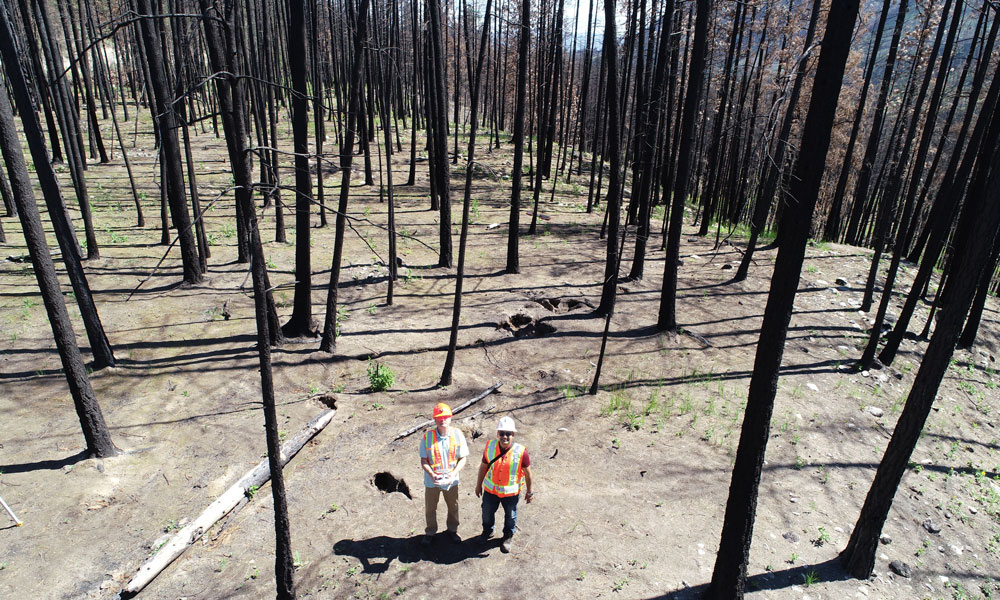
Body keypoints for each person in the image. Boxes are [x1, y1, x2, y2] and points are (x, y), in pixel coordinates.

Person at [475, 416, 533, 553]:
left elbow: (528, 473)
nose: (505, 436)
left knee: (510, 516)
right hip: (491, 491)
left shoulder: (521, 452)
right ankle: (488, 531)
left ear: (513, 435)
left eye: (508, 433)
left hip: (510, 493)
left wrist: (530, 491)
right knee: (487, 513)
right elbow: (483, 467)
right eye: (502, 433)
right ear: (498, 434)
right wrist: (478, 485)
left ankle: (508, 536)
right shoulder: (490, 447)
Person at [419, 402, 469, 546]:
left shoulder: (458, 434)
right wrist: (432, 474)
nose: (443, 420)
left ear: (450, 418)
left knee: (453, 506)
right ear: (435, 419)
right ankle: (430, 532)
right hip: (432, 481)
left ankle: (452, 531)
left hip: (451, 480)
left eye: (446, 416)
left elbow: (463, 458)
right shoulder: (427, 437)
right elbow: (424, 460)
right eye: (439, 417)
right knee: (430, 508)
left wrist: (454, 474)